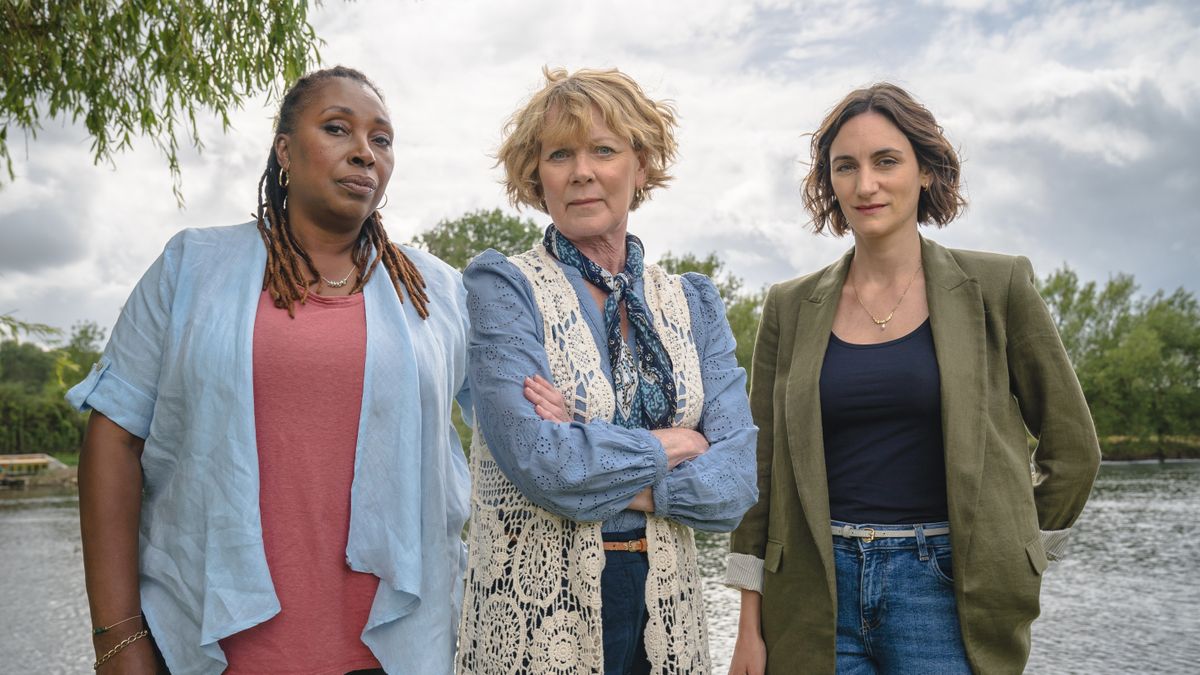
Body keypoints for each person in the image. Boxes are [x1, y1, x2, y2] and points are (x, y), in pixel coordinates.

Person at [69, 66, 471, 674]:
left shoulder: (436, 291)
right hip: (221, 652)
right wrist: (118, 641)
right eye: (337, 129)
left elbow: (512, 427)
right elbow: (114, 440)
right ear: (284, 149)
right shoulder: (191, 270)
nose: (365, 153)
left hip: (396, 653)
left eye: (382, 140)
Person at [725, 83, 1101, 674]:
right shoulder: (789, 306)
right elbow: (761, 472)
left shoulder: (998, 288)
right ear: (830, 183)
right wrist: (750, 626)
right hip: (812, 596)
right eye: (845, 167)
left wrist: (1020, 553)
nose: (865, 184)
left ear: (926, 171)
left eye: (886, 161)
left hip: (946, 593)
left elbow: (1074, 449)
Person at [456, 67, 758, 675]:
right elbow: (546, 463)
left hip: (669, 603)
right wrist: (678, 443)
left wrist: (587, 443)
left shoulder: (693, 301)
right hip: (539, 607)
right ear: (537, 176)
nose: (581, 171)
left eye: (604, 150)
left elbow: (739, 482)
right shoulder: (502, 286)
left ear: (640, 166)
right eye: (559, 154)